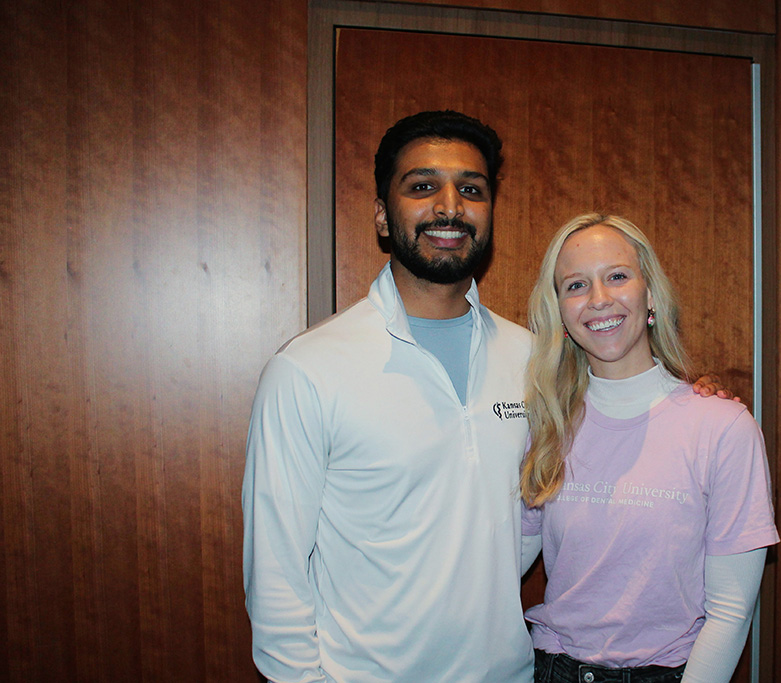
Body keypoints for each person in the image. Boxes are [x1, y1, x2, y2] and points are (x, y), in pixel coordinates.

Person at [242, 111, 735, 682]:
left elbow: (623, 405)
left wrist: (698, 398)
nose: (449, 207)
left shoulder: (535, 360)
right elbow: (275, 575)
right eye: (422, 187)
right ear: (382, 215)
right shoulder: (308, 370)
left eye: (471, 190)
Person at [520, 214, 779, 683]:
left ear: (651, 294)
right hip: (552, 669)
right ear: (558, 309)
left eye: (617, 276)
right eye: (576, 284)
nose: (599, 299)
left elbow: (730, 611)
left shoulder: (722, 427)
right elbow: (501, 564)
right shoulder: (545, 426)